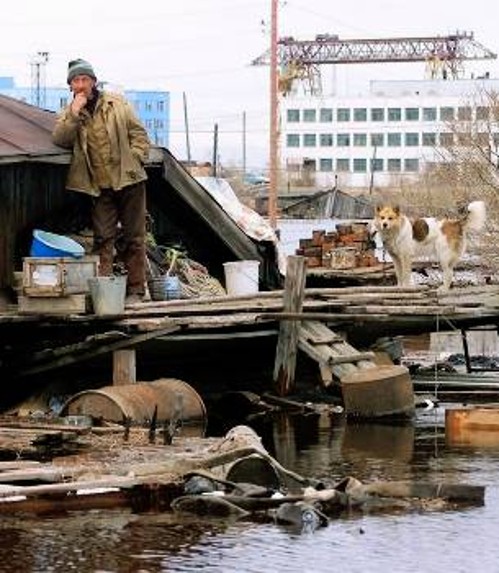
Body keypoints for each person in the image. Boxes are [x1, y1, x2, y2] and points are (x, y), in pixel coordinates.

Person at [52, 58, 151, 303]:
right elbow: (60, 139)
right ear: (71, 86)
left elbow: (139, 134)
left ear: (94, 82)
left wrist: (135, 159)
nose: (81, 85)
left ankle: (136, 291)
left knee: (134, 238)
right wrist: (74, 113)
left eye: (85, 79)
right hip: (100, 188)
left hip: (129, 181)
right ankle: (105, 294)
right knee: (102, 239)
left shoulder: (117, 104)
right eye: (76, 81)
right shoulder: (70, 113)